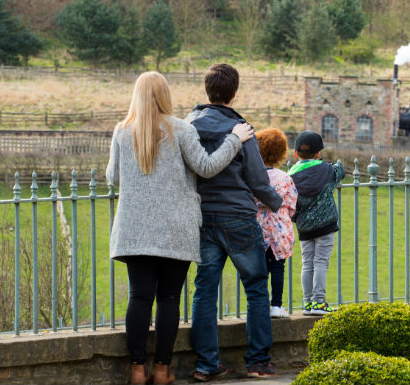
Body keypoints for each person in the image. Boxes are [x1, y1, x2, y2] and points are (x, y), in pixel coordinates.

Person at [106, 71, 254, 385]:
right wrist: (234, 139)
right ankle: (162, 371)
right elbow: (207, 167)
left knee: (140, 297)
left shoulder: (122, 131)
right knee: (170, 299)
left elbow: (112, 178)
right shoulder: (181, 130)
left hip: (135, 230)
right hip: (176, 228)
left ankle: (136, 371)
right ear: (165, 95)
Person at [186, 64, 283, 381]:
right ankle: (257, 362)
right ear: (235, 92)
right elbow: (258, 180)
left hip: (204, 216)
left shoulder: (189, 125)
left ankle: (206, 364)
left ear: (207, 90)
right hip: (239, 217)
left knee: (205, 289)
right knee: (256, 288)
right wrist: (278, 202)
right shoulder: (242, 129)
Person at [287, 131, 345, 316]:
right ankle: (319, 302)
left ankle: (307, 303)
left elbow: (291, 205)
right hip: (325, 226)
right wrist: (337, 164)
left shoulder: (291, 177)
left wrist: (298, 220)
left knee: (307, 263)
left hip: (304, 228)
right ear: (319, 153)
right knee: (321, 262)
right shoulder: (327, 170)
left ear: (296, 154)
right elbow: (339, 172)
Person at [254, 128, 298, 319]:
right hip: (279, 230)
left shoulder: (252, 177)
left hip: (257, 228)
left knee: (259, 269)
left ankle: (260, 304)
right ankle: (277, 305)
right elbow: (291, 204)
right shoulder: (285, 178)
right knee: (278, 268)